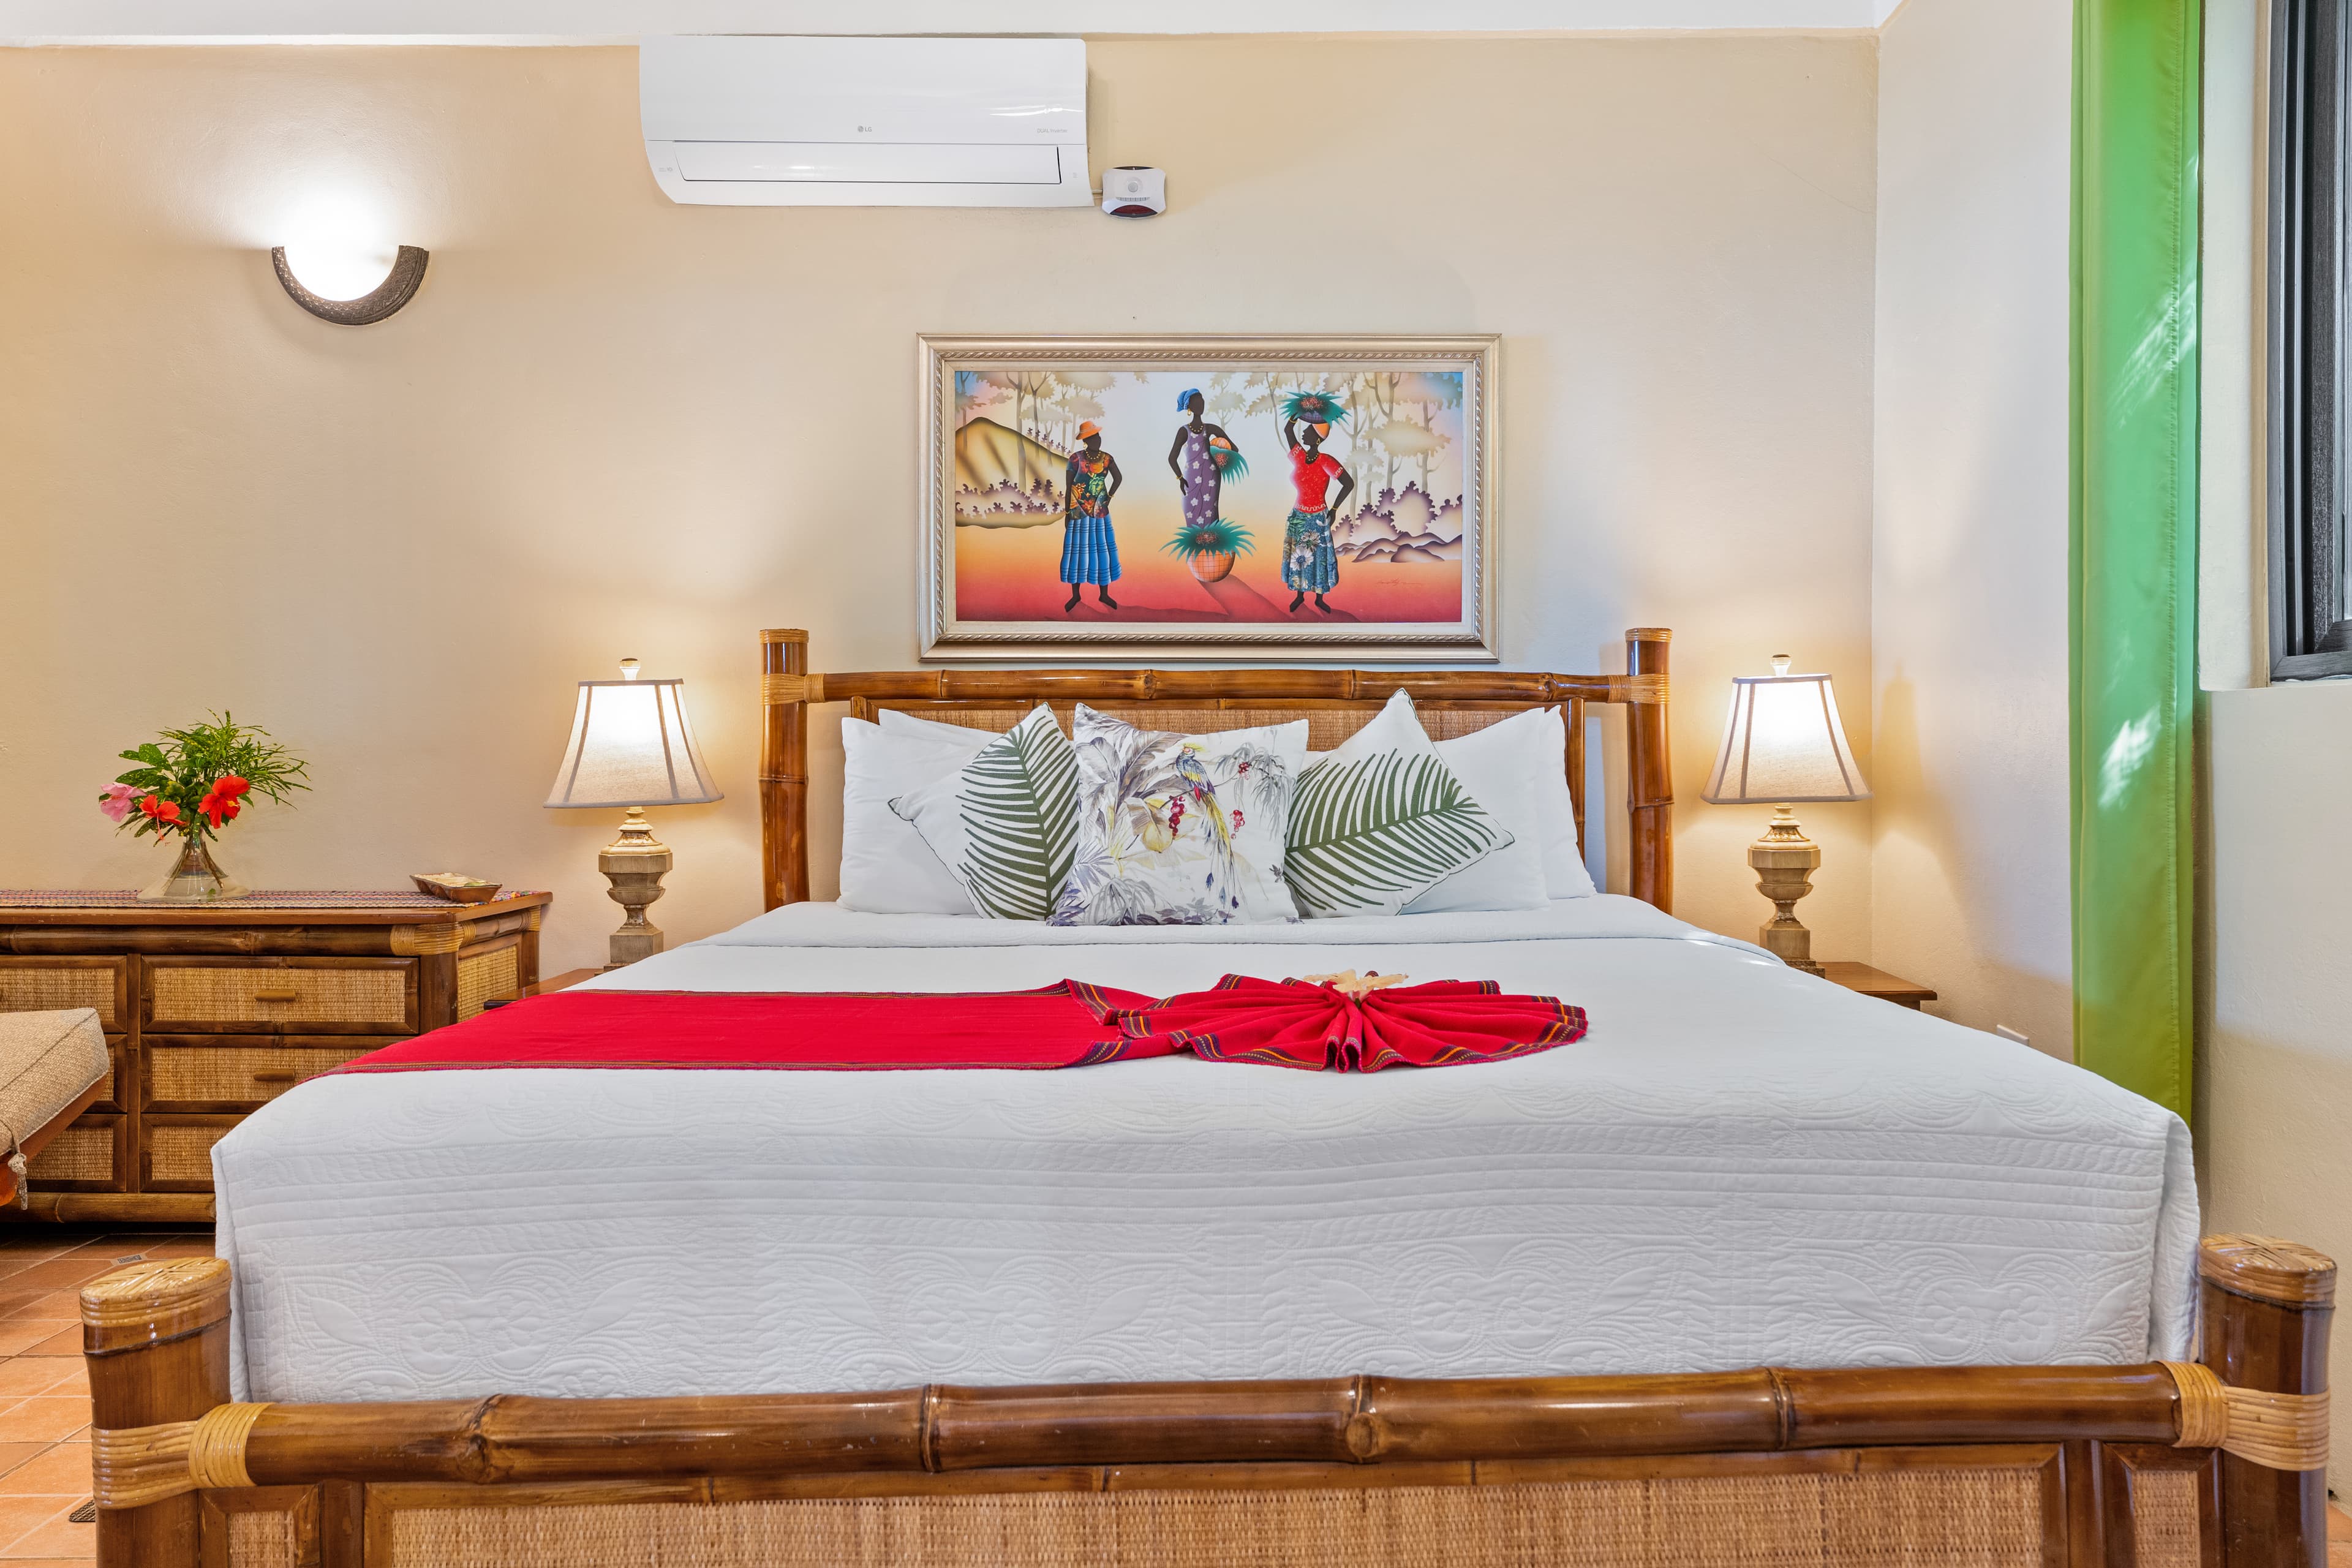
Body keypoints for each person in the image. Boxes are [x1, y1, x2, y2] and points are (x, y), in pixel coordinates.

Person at [1281, 403, 1354, 613]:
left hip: (1318, 517)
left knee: (1319, 559)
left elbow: (1348, 484)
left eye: (1308, 431)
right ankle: (1300, 596)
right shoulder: (1299, 457)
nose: (1303, 433)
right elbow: (1288, 430)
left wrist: (1334, 509)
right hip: (1299, 516)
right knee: (1299, 557)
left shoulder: (1326, 461)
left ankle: (1319, 599)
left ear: (1317, 438)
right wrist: (1298, 411)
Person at [1060, 421, 1123, 612]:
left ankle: (1104, 594)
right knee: (1077, 552)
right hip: (1078, 511)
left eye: (1098, 436)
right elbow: (1069, 487)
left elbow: (1118, 478)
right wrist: (1066, 512)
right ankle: (1076, 595)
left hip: (1099, 511)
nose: (1098, 439)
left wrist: (1109, 497)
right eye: (1093, 437)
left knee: (1102, 551)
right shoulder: (1075, 459)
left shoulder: (1107, 459)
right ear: (1086, 441)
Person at [1167, 388, 1239, 533]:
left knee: (1211, 515)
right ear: (1189, 407)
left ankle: (1211, 552)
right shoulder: (1184, 431)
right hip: (1190, 480)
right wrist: (1180, 478)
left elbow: (1234, 449)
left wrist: (1218, 451)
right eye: (1197, 402)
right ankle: (1196, 554)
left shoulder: (1211, 429)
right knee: (1192, 515)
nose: (1201, 404)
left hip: (1211, 478)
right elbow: (1172, 458)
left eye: (1202, 401)